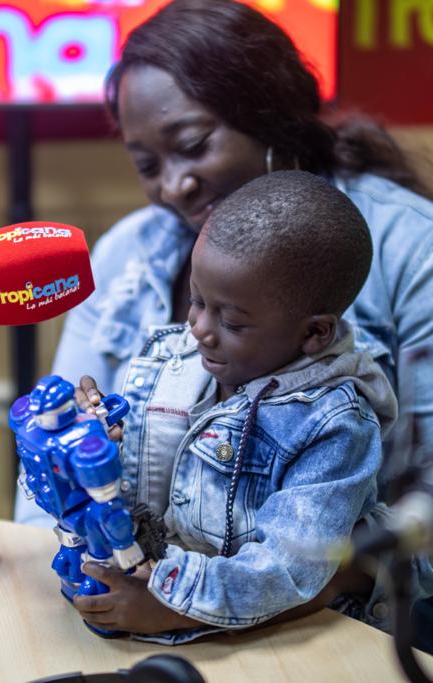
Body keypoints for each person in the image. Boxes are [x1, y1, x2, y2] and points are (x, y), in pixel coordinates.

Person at [15, 0, 433, 672]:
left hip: (354, 622)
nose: (174, 184)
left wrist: (240, 593)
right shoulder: (126, 257)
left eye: (193, 145)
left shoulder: (420, 250)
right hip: (154, 611)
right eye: (146, 163)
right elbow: (44, 495)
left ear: (272, 121)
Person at [63, 169, 398, 642]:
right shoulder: (176, 358)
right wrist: (95, 443)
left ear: (314, 333)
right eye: (197, 300)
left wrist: (168, 604)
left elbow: (288, 570)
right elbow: (141, 491)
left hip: (282, 640)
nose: (199, 328)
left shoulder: (337, 426)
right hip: (170, 619)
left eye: (233, 322)